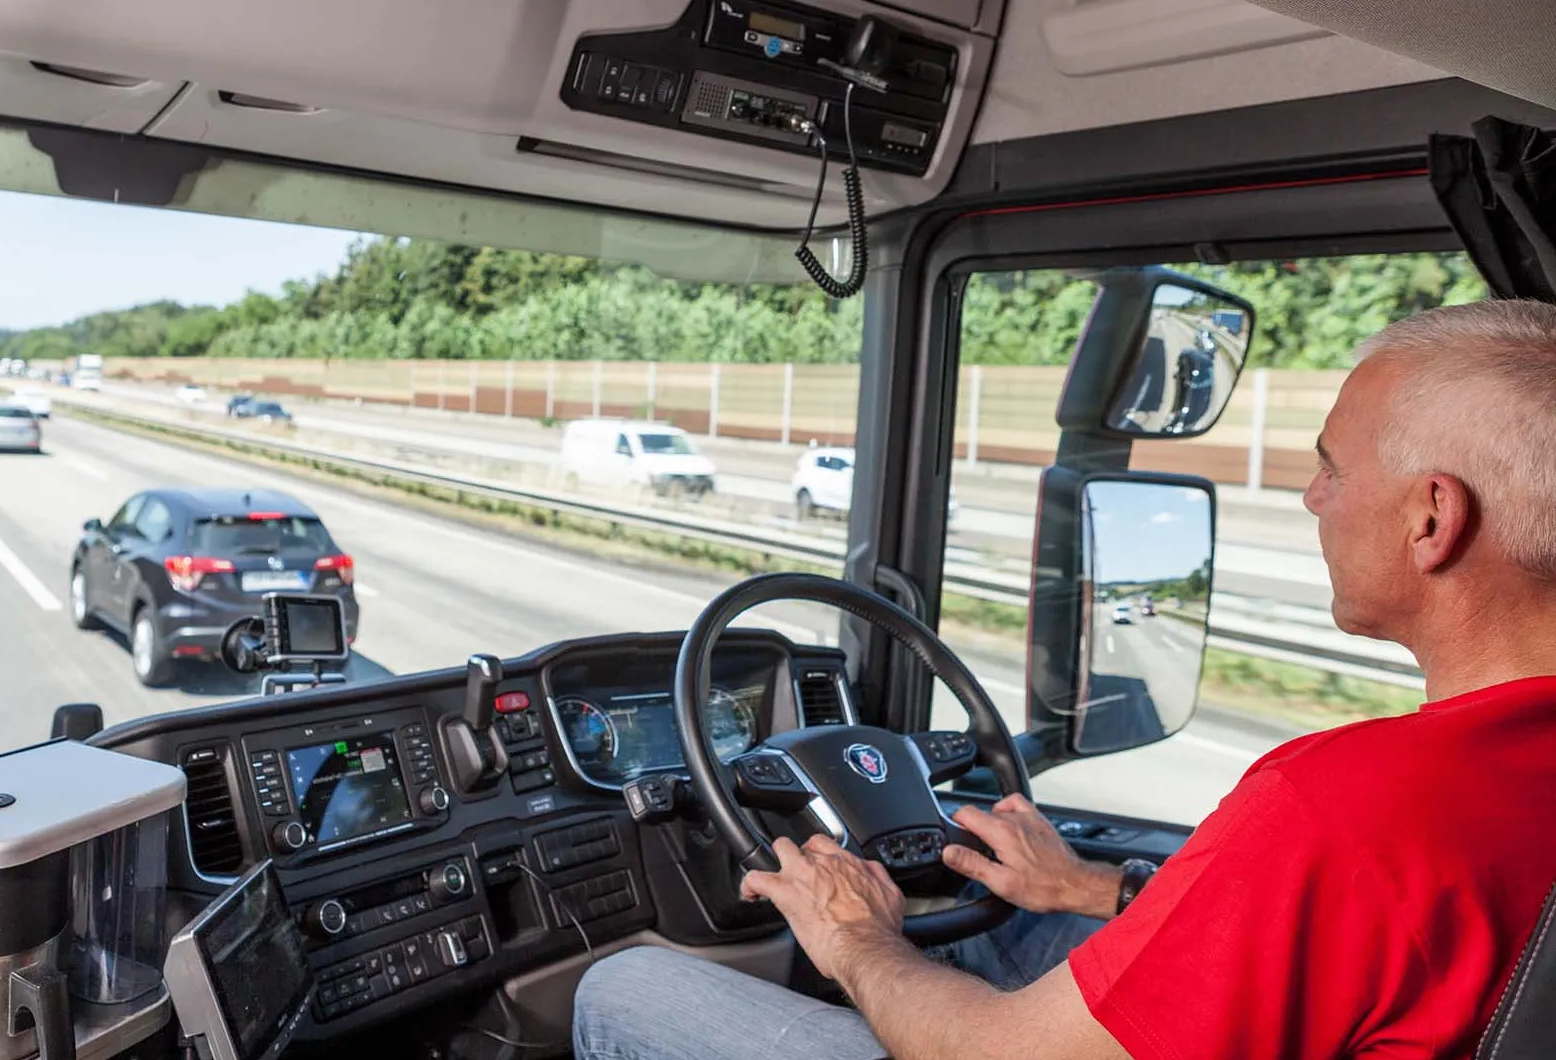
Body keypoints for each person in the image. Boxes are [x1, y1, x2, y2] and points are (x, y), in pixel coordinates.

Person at [573, 299, 1556, 1059]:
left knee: (621, 992)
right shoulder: (1480, 779)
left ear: (1431, 519)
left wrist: (853, 938)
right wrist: (1091, 885)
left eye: (1333, 470)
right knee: (994, 932)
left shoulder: (1342, 807)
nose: (1311, 496)